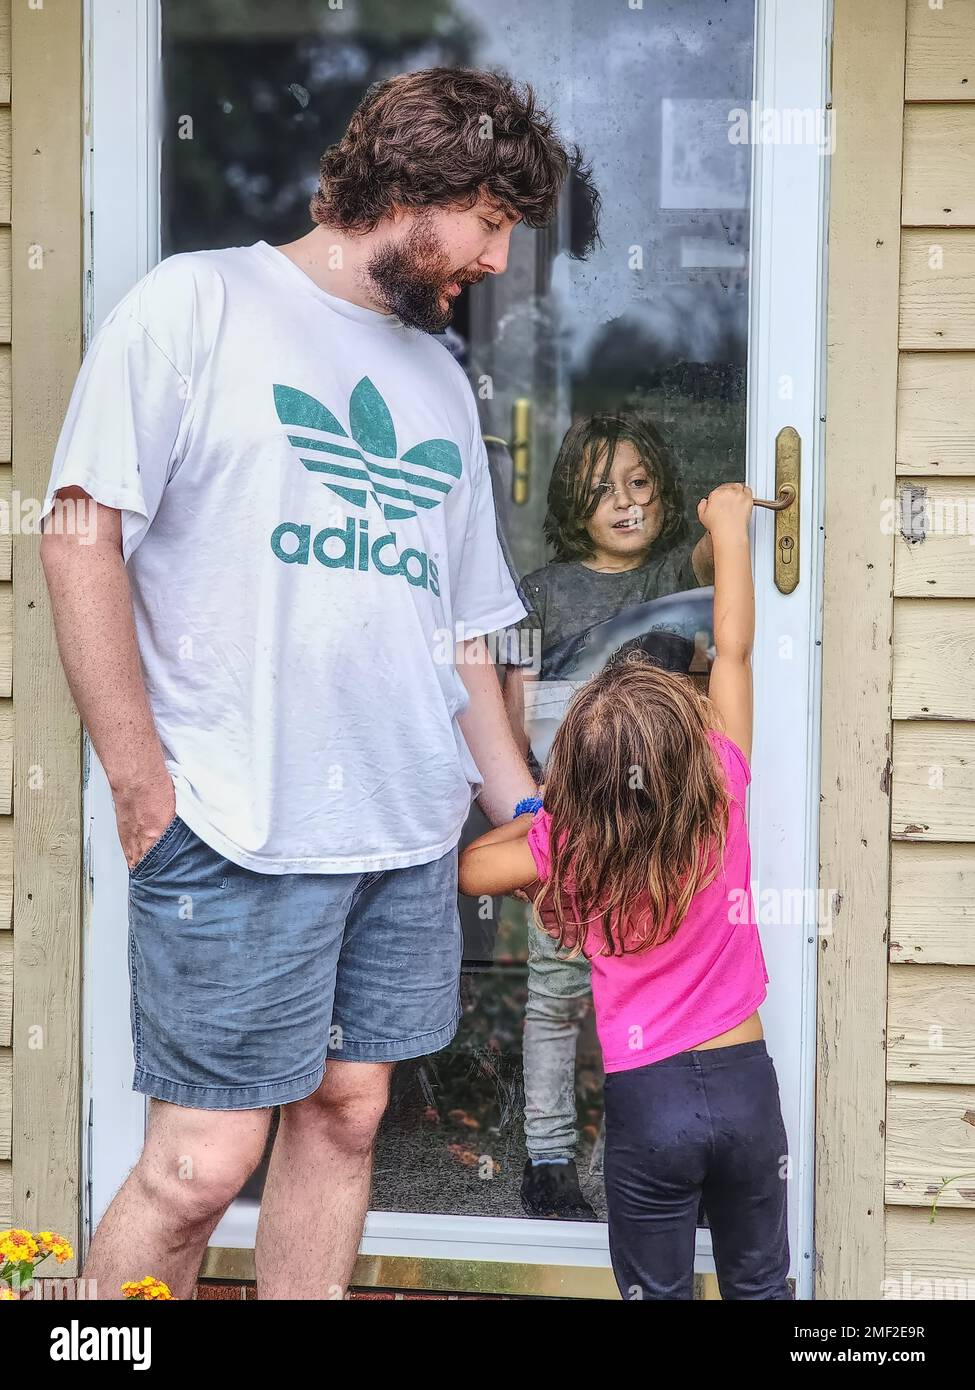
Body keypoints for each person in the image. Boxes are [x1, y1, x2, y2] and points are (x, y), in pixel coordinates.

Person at [38, 66, 573, 1300]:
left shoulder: (438, 381)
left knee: (344, 1115)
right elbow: (78, 533)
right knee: (198, 1165)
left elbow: (464, 638)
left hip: (396, 836)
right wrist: (138, 781)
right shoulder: (199, 304)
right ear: (424, 188)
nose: (497, 257)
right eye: (491, 220)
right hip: (228, 820)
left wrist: (527, 815)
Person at [459, 482, 793, 1300]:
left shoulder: (570, 843)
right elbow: (735, 648)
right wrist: (727, 531)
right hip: (746, 1084)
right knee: (761, 1285)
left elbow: (470, 870)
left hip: (649, 1103)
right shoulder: (722, 783)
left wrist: (545, 822)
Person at [500, 412, 714, 1220]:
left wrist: (726, 518)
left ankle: (658, 1150)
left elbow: (710, 560)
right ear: (570, 501)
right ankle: (546, 1158)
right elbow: (513, 705)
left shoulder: (669, 576)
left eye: (639, 484)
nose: (624, 503)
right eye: (600, 491)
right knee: (556, 992)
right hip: (571, 823)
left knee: (661, 987)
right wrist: (524, 801)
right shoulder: (543, 592)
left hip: (659, 828)